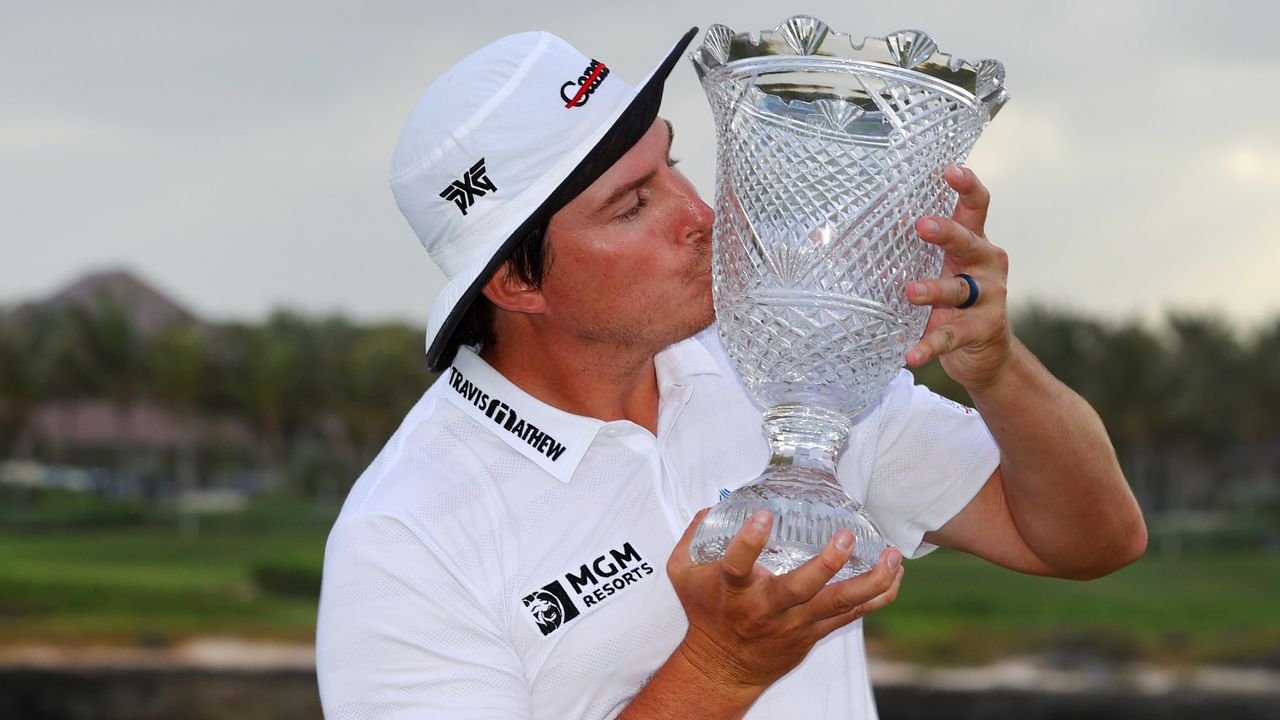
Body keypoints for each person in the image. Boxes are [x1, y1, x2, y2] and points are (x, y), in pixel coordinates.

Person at [315, 26, 1147, 720]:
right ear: (516, 283)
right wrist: (721, 666)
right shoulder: (405, 536)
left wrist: (997, 368)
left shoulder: (789, 369)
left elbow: (1093, 540)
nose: (700, 215)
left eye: (672, 162)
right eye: (634, 204)